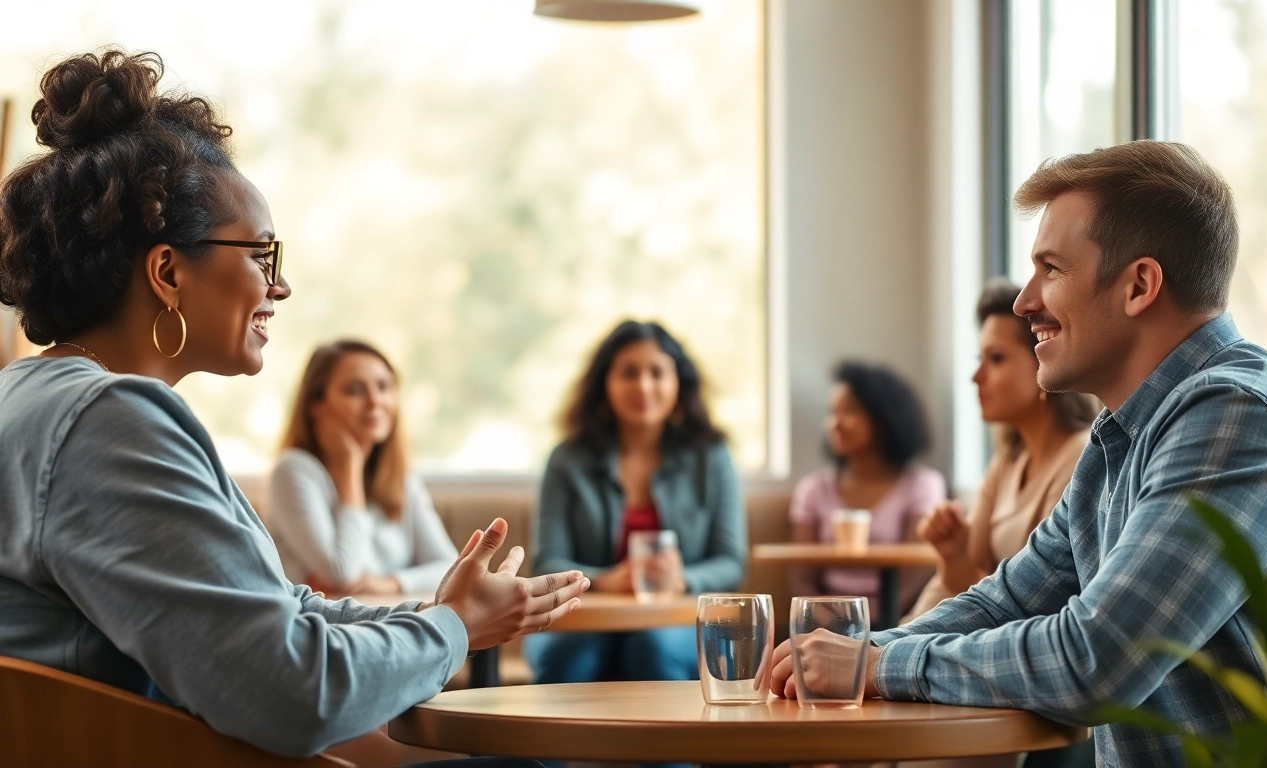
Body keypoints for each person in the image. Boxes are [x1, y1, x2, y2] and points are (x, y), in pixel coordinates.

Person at [0, 50, 587, 760]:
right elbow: (294, 694)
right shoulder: (107, 422)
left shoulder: (35, 398)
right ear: (168, 271)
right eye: (261, 255)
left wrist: (441, 613)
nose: (279, 287)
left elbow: (279, 610)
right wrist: (453, 628)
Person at [768, 140, 1267, 768]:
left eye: (1052, 269)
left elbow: (1096, 659)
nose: (1025, 302)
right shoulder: (1119, 439)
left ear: (1139, 286)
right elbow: (1006, 601)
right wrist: (859, 651)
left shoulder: (1236, 416)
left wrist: (880, 664)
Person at [527, 320, 746, 683]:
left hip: (678, 620)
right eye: (629, 373)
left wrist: (681, 579)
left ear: (678, 383)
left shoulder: (711, 456)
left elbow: (731, 562)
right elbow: (547, 562)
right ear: (605, 383)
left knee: (653, 648)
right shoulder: (567, 459)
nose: (643, 385)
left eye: (657, 373)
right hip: (584, 618)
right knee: (570, 655)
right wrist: (604, 580)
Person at [905, 280, 1096, 621]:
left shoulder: (1079, 458)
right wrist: (952, 554)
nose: (976, 376)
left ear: (1042, 358)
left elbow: (1038, 605)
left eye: (995, 359)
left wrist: (958, 563)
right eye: (979, 359)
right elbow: (963, 577)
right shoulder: (1007, 463)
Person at [269, 340, 457, 596]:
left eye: (384, 387)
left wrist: (391, 584)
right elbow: (341, 574)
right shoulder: (293, 470)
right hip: (326, 621)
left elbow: (451, 569)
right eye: (355, 390)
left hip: (390, 616)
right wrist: (349, 465)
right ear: (316, 405)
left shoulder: (399, 477)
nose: (375, 401)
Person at [790, 362, 945, 617]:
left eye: (849, 411)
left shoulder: (922, 485)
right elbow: (800, 578)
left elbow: (917, 574)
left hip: (897, 621)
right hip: (826, 621)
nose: (834, 424)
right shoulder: (813, 489)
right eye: (832, 413)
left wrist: (868, 626)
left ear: (884, 418)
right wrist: (830, 621)